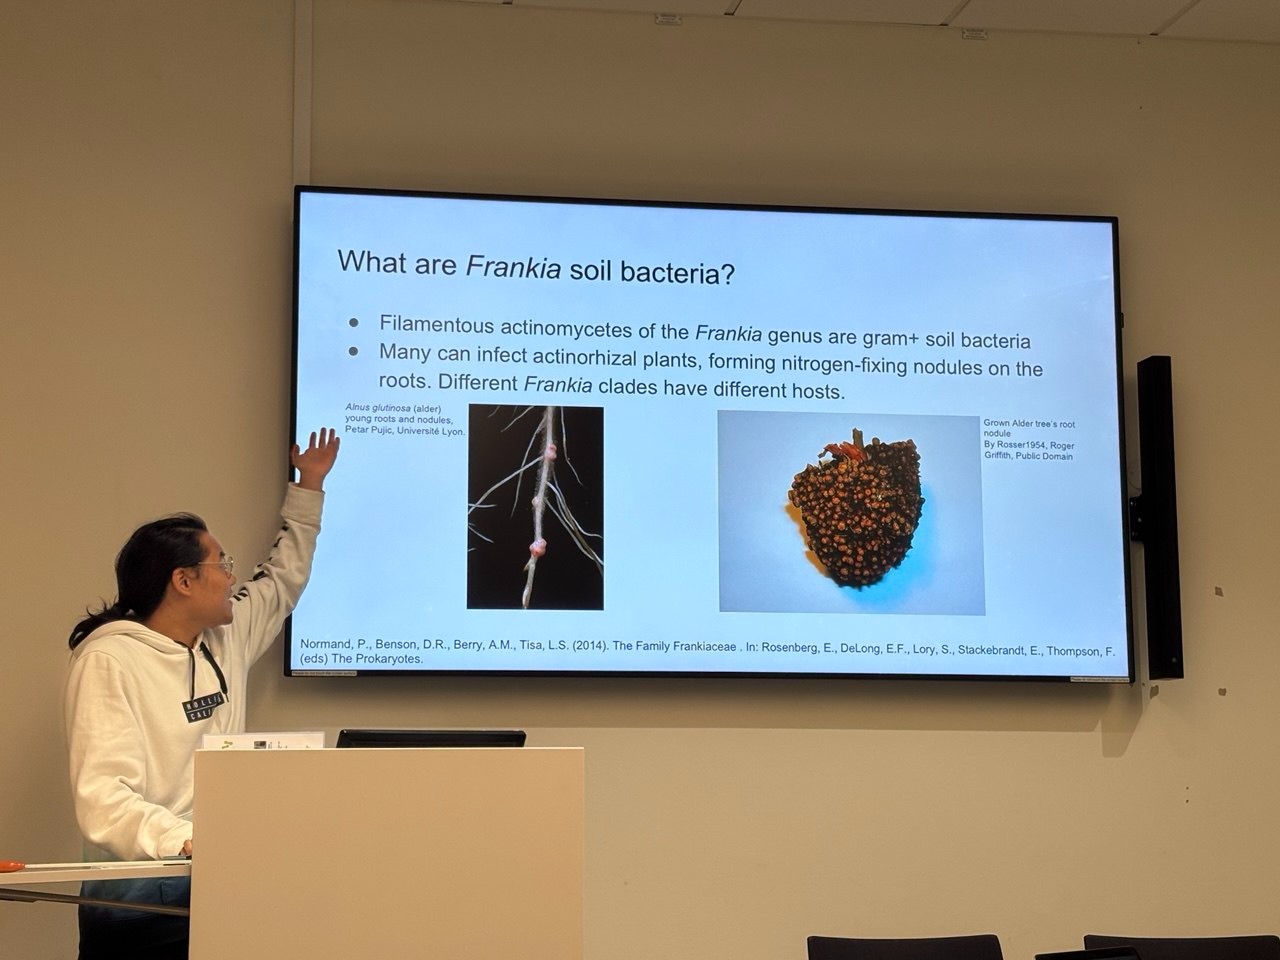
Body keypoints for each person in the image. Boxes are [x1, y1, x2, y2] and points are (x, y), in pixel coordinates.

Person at [63, 428, 339, 960]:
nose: (232, 576)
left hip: (221, 886)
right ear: (183, 581)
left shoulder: (223, 640)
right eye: (222, 564)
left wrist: (309, 485)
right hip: (139, 902)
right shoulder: (109, 659)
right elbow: (103, 797)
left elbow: (282, 580)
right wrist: (184, 840)